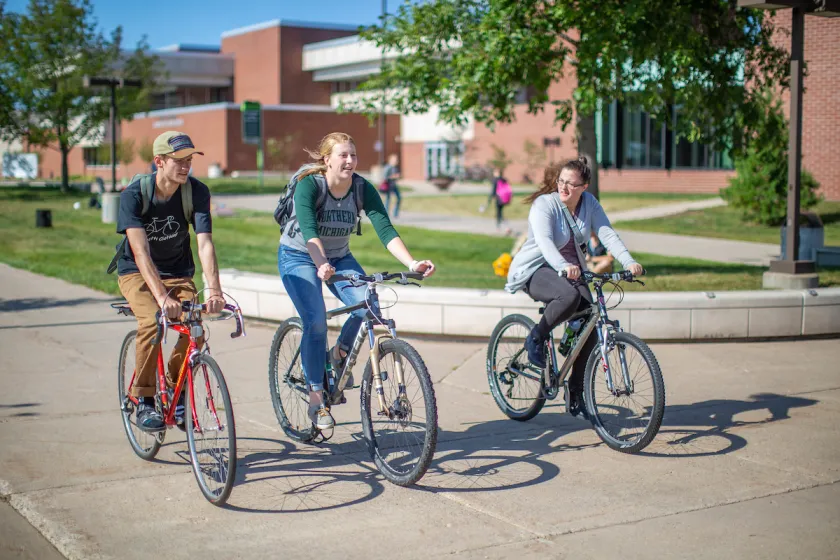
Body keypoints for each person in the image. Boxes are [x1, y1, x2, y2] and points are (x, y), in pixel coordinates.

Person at [278, 132, 435, 431]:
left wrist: (413, 263)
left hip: (338, 257)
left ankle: (337, 354)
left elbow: (386, 230)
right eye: (343, 155)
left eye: (353, 155)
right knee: (315, 321)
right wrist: (320, 262)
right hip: (299, 256)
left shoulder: (362, 188)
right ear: (326, 160)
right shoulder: (309, 185)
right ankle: (315, 399)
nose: (350, 161)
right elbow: (310, 231)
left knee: (369, 306)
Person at [504, 156, 643, 418]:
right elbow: (544, 242)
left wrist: (629, 261)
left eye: (571, 184)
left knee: (590, 319)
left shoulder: (589, 204)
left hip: (571, 270)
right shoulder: (544, 205)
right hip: (536, 270)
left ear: (584, 187)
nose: (564, 188)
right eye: (561, 182)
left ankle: (576, 391)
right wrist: (562, 265)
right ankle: (537, 335)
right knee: (567, 295)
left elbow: (607, 233)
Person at [116, 131, 225, 432]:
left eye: (189, 160)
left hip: (179, 271)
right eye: (178, 160)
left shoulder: (197, 192)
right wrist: (162, 298)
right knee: (152, 322)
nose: (185, 166)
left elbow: (204, 244)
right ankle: (145, 400)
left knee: (196, 328)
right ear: (159, 162)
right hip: (136, 272)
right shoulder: (134, 195)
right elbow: (139, 252)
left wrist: (214, 288)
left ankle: (175, 393)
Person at [382, 153, 402, 217]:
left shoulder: (395, 168)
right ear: (390, 160)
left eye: (397, 160)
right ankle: (386, 214)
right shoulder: (387, 167)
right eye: (395, 160)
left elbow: (396, 176)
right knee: (388, 199)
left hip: (393, 186)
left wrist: (398, 177)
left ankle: (395, 213)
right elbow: (384, 177)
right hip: (388, 186)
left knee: (399, 198)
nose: (396, 161)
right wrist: (393, 177)